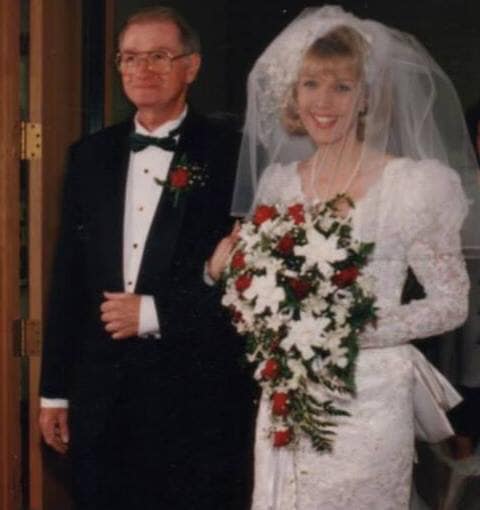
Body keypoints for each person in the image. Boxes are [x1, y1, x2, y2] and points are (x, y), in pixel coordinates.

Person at [208, 6, 480, 509]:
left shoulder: (413, 186)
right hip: (289, 396)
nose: (323, 102)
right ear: (293, 95)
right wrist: (224, 274)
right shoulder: (279, 185)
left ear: (365, 97)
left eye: (341, 87)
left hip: (370, 398)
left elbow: (451, 304)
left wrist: (348, 330)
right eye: (310, 84)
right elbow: (254, 295)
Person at [39, 6, 252, 510]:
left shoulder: (232, 155)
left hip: (195, 398)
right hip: (101, 399)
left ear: (191, 67)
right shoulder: (89, 155)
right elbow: (68, 280)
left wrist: (157, 313)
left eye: (159, 56)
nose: (142, 69)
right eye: (130, 57)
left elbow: (252, 288)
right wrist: (54, 393)